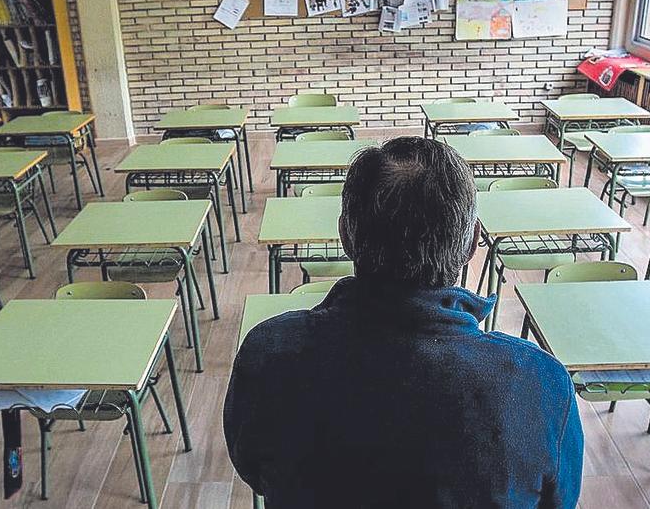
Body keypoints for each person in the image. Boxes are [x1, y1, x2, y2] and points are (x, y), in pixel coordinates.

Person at [224, 137, 583, 508]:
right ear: (471, 242)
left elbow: (252, 468)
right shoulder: (540, 384)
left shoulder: (268, 355)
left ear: (345, 234)